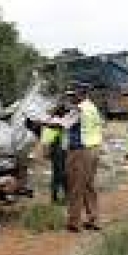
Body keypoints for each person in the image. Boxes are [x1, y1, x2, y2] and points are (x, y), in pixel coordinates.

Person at [48, 82, 103, 233]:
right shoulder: (92, 107)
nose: (70, 98)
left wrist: (43, 122)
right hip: (93, 149)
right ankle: (93, 219)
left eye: (73, 95)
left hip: (80, 151)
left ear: (81, 94)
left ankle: (74, 222)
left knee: (75, 186)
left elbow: (62, 124)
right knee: (88, 185)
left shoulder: (79, 109)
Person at [41, 103, 69, 204]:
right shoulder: (56, 121)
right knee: (62, 173)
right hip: (58, 149)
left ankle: (56, 197)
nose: (66, 113)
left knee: (57, 173)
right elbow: (47, 137)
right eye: (64, 111)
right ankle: (62, 196)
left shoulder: (54, 120)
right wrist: (46, 149)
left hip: (59, 149)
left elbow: (45, 138)